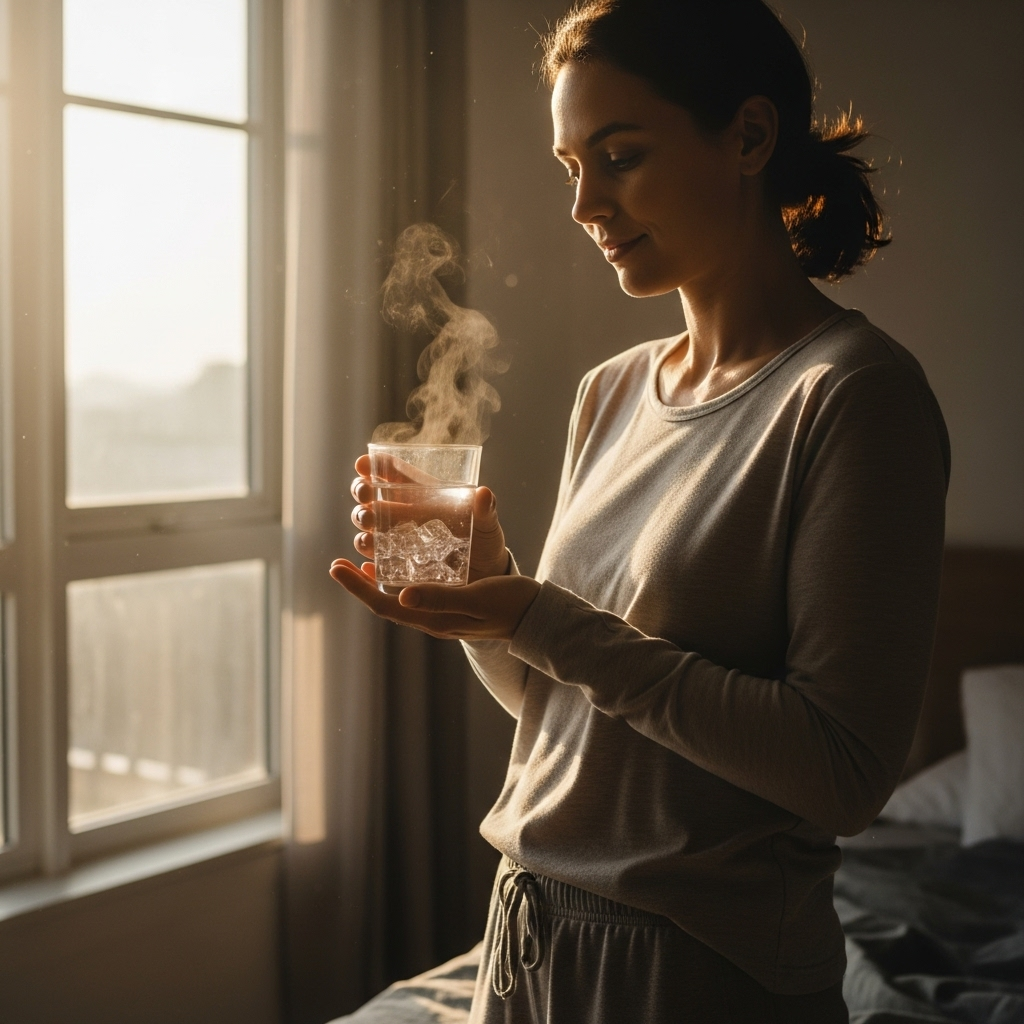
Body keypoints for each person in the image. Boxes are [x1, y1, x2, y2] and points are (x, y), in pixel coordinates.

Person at [331, 1, 950, 1020]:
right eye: (571, 163)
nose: (584, 202)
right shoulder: (611, 390)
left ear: (747, 136)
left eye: (618, 155)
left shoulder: (850, 395)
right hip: (523, 945)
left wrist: (539, 617)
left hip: (696, 972)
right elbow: (572, 714)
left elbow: (841, 772)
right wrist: (492, 609)